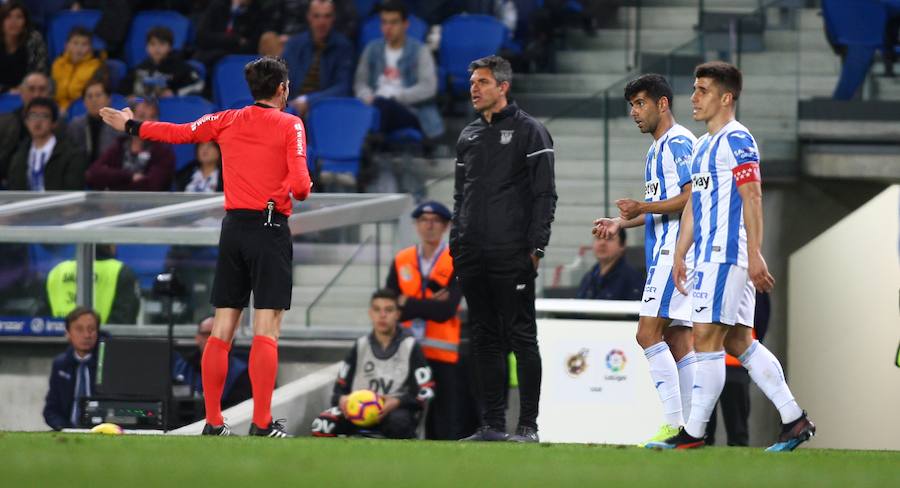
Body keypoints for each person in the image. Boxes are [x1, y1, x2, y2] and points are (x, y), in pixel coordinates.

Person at [99, 56, 312, 438]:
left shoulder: (226, 119)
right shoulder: (290, 124)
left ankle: (214, 423)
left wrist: (130, 124)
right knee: (267, 328)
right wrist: (298, 185)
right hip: (269, 227)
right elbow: (300, 187)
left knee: (222, 328)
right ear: (283, 88)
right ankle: (261, 424)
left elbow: (178, 133)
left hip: (233, 229)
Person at [649, 61, 816, 451]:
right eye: (693, 89)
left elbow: (752, 196)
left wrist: (756, 254)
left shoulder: (738, 139)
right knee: (740, 341)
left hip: (726, 255)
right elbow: (694, 205)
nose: (693, 97)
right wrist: (679, 253)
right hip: (705, 256)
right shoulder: (703, 145)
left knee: (705, 336)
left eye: (702, 90)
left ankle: (693, 432)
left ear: (726, 98)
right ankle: (794, 419)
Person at [451, 55, 556, 443]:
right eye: (473, 82)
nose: (474, 89)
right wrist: (456, 247)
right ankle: (492, 425)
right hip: (472, 255)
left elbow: (545, 195)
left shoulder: (532, 132)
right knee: (484, 338)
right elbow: (461, 195)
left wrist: (536, 249)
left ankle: (527, 426)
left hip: (512, 254)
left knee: (521, 337)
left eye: (482, 82)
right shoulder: (468, 136)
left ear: (503, 86)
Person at [592, 73, 697, 445]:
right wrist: (622, 220)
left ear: (662, 103)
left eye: (640, 104)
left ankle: (674, 425)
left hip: (677, 251)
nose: (634, 113)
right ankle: (691, 432)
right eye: (632, 106)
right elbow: (659, 208)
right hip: (668, 252)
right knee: (678, 339)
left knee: (647, 333)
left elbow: (693, 196)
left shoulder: (679, 142)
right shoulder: (656, 149)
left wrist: (643, 205)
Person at [385, 200, 476, 440]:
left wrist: (409, 302)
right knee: (403, 414)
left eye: (436, 221)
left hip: (442, 352)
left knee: (443, 419)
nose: (429, 226)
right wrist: (427, 305)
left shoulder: (455, 259)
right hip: (407, 350)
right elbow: (391, 307)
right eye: (424, 220)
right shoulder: (402, 259)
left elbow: (446, 310)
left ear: (446, 226)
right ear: (416, 225)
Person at [310, 289, 434, 439]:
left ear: (398, 315)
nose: (382, 315)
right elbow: (338, 392)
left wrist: (398, 401)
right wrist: (343, 400)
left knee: (398, 423)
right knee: (322, 424)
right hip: (356, 413)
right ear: (370, 313)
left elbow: (426, 391)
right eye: (377, 310)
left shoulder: (410, 346)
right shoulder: (361, 345)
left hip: (392, 413)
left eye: (388, 310)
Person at [353, 0, 444, 140]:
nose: (388, 28)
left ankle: (370, 143)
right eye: (384, 22)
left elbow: (429, 87)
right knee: (377, 108)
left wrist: (397, 96)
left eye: (394, 22)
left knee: (384, 106)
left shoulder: (420, 51)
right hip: (375, 107)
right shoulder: (371, 49)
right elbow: (360, 83)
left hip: (410, 111)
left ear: (405, 24)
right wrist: (367, 97)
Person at [705, 291, 770, 446]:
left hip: (711, 360)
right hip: (734, 361)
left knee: (703, 428)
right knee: (737, 430)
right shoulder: (749, 276)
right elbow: (762, 316)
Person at [283, 0, 354, 117]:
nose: (322, 22)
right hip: (290, 106)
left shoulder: (343, 47)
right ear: (309, 17)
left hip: (324, 110)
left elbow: (343, 87)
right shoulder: (294, 45)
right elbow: (281, 79)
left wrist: (308, 101)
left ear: (333, 18)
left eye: (327, 16)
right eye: (317, 16)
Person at [86, 100, 175, 191]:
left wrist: (113, 184)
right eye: (141, 116)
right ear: (129, 120)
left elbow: (152, 186)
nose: (148, 122)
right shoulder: (120, 145)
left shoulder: (163, 150)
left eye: (152, 117)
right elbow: (93, 174)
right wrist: (130, 176)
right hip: (116, 203)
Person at [41, 244, 140, 325]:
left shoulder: (56, 271)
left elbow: (42, 315)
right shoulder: (121, 271)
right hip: (100, 343)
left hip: (55, 342)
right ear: (110, 244)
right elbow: (125, 320)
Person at [6, 97, 87, 191]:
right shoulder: (18, 154)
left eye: (44, 116)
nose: (38, 121)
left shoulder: (72, 154)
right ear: (26, 121)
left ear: (54, 123)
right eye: (33, 116)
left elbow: (73, 189)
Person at [172, 316, 252, 409]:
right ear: (197, 338)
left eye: (219, 335)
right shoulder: (180, 369)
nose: (212, 340)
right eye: (207, 334)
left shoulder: (241, 373)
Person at [43, 306, 101, 431]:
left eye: (91, 329)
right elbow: (51, 410)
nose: (86, 335)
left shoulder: (107, 362)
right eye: (79, 329)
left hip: (102, 430)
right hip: (68, 429)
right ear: (68, 333)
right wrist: (64, 428)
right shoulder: (61, 364)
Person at [122, 26, 204, 98]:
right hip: (144, 110)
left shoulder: (181, 68)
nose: (156, 48)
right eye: (152, 44)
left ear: (170, 47)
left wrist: (175, 93)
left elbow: (198, 85)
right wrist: (132, 98)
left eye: (162, 44)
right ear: (146, 47)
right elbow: (129, 92)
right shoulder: (140, 68)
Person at [0, 72, 52, 185]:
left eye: (42, 89)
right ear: (22, 93)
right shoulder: (5, 123)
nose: (36, 94)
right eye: (31, 89)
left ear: (49, 93)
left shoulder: (59, 124)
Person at [194, 0, 266, 68]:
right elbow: (201, 37)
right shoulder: (217, 6)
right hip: (207, 57)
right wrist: (234, 39)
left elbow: (250, 46)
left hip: (236, 61)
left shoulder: (257, 13)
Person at [576, 228, 643, 301]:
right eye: (598, 238)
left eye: (609, 238)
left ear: (622, 245)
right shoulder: (588, 278)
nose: (602, 243)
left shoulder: (633, 280)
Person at [66, 78, 119, 165]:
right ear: (84, 102)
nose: (94, 100)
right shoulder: (75, 125)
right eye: (89, 96)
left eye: (98, 95)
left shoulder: (118, 125)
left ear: (108, 99)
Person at [51, 26, 104, 113]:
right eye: (75, 43)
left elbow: (94, 96)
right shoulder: (58, 63)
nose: (79, 48)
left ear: (91, 47)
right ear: (66, 45)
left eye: (84, 44)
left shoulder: (97, 66)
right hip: (57, 106)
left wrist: (68, 109)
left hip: (82, 108)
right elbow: (51, 91)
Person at [0, 1, 48, 94]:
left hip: (28, 94)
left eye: (19, 17)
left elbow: (41, 72)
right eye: (8, 17)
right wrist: (6, 90)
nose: (13, 21)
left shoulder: (34, 40)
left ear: (25, 22)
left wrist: (24, 89)